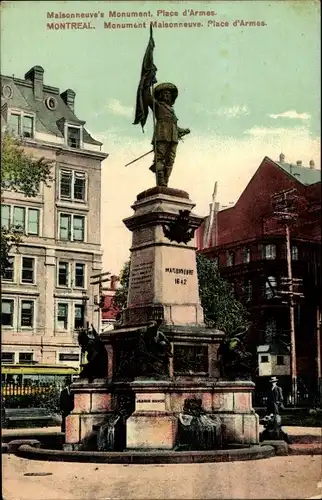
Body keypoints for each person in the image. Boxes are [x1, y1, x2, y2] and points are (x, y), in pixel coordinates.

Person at [143, 78, 190, 187]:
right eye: (165, 93)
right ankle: (161, 182)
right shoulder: (158, 106)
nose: (167, 95)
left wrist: (184, 131)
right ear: (160, 96)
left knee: (170, 161)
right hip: (162, 136)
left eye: (169, 94)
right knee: (160, 159)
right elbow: (147, 97)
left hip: (173, 138)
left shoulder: (172, 111)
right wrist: (147, 83)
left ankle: (165, 181)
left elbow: (174, 126)